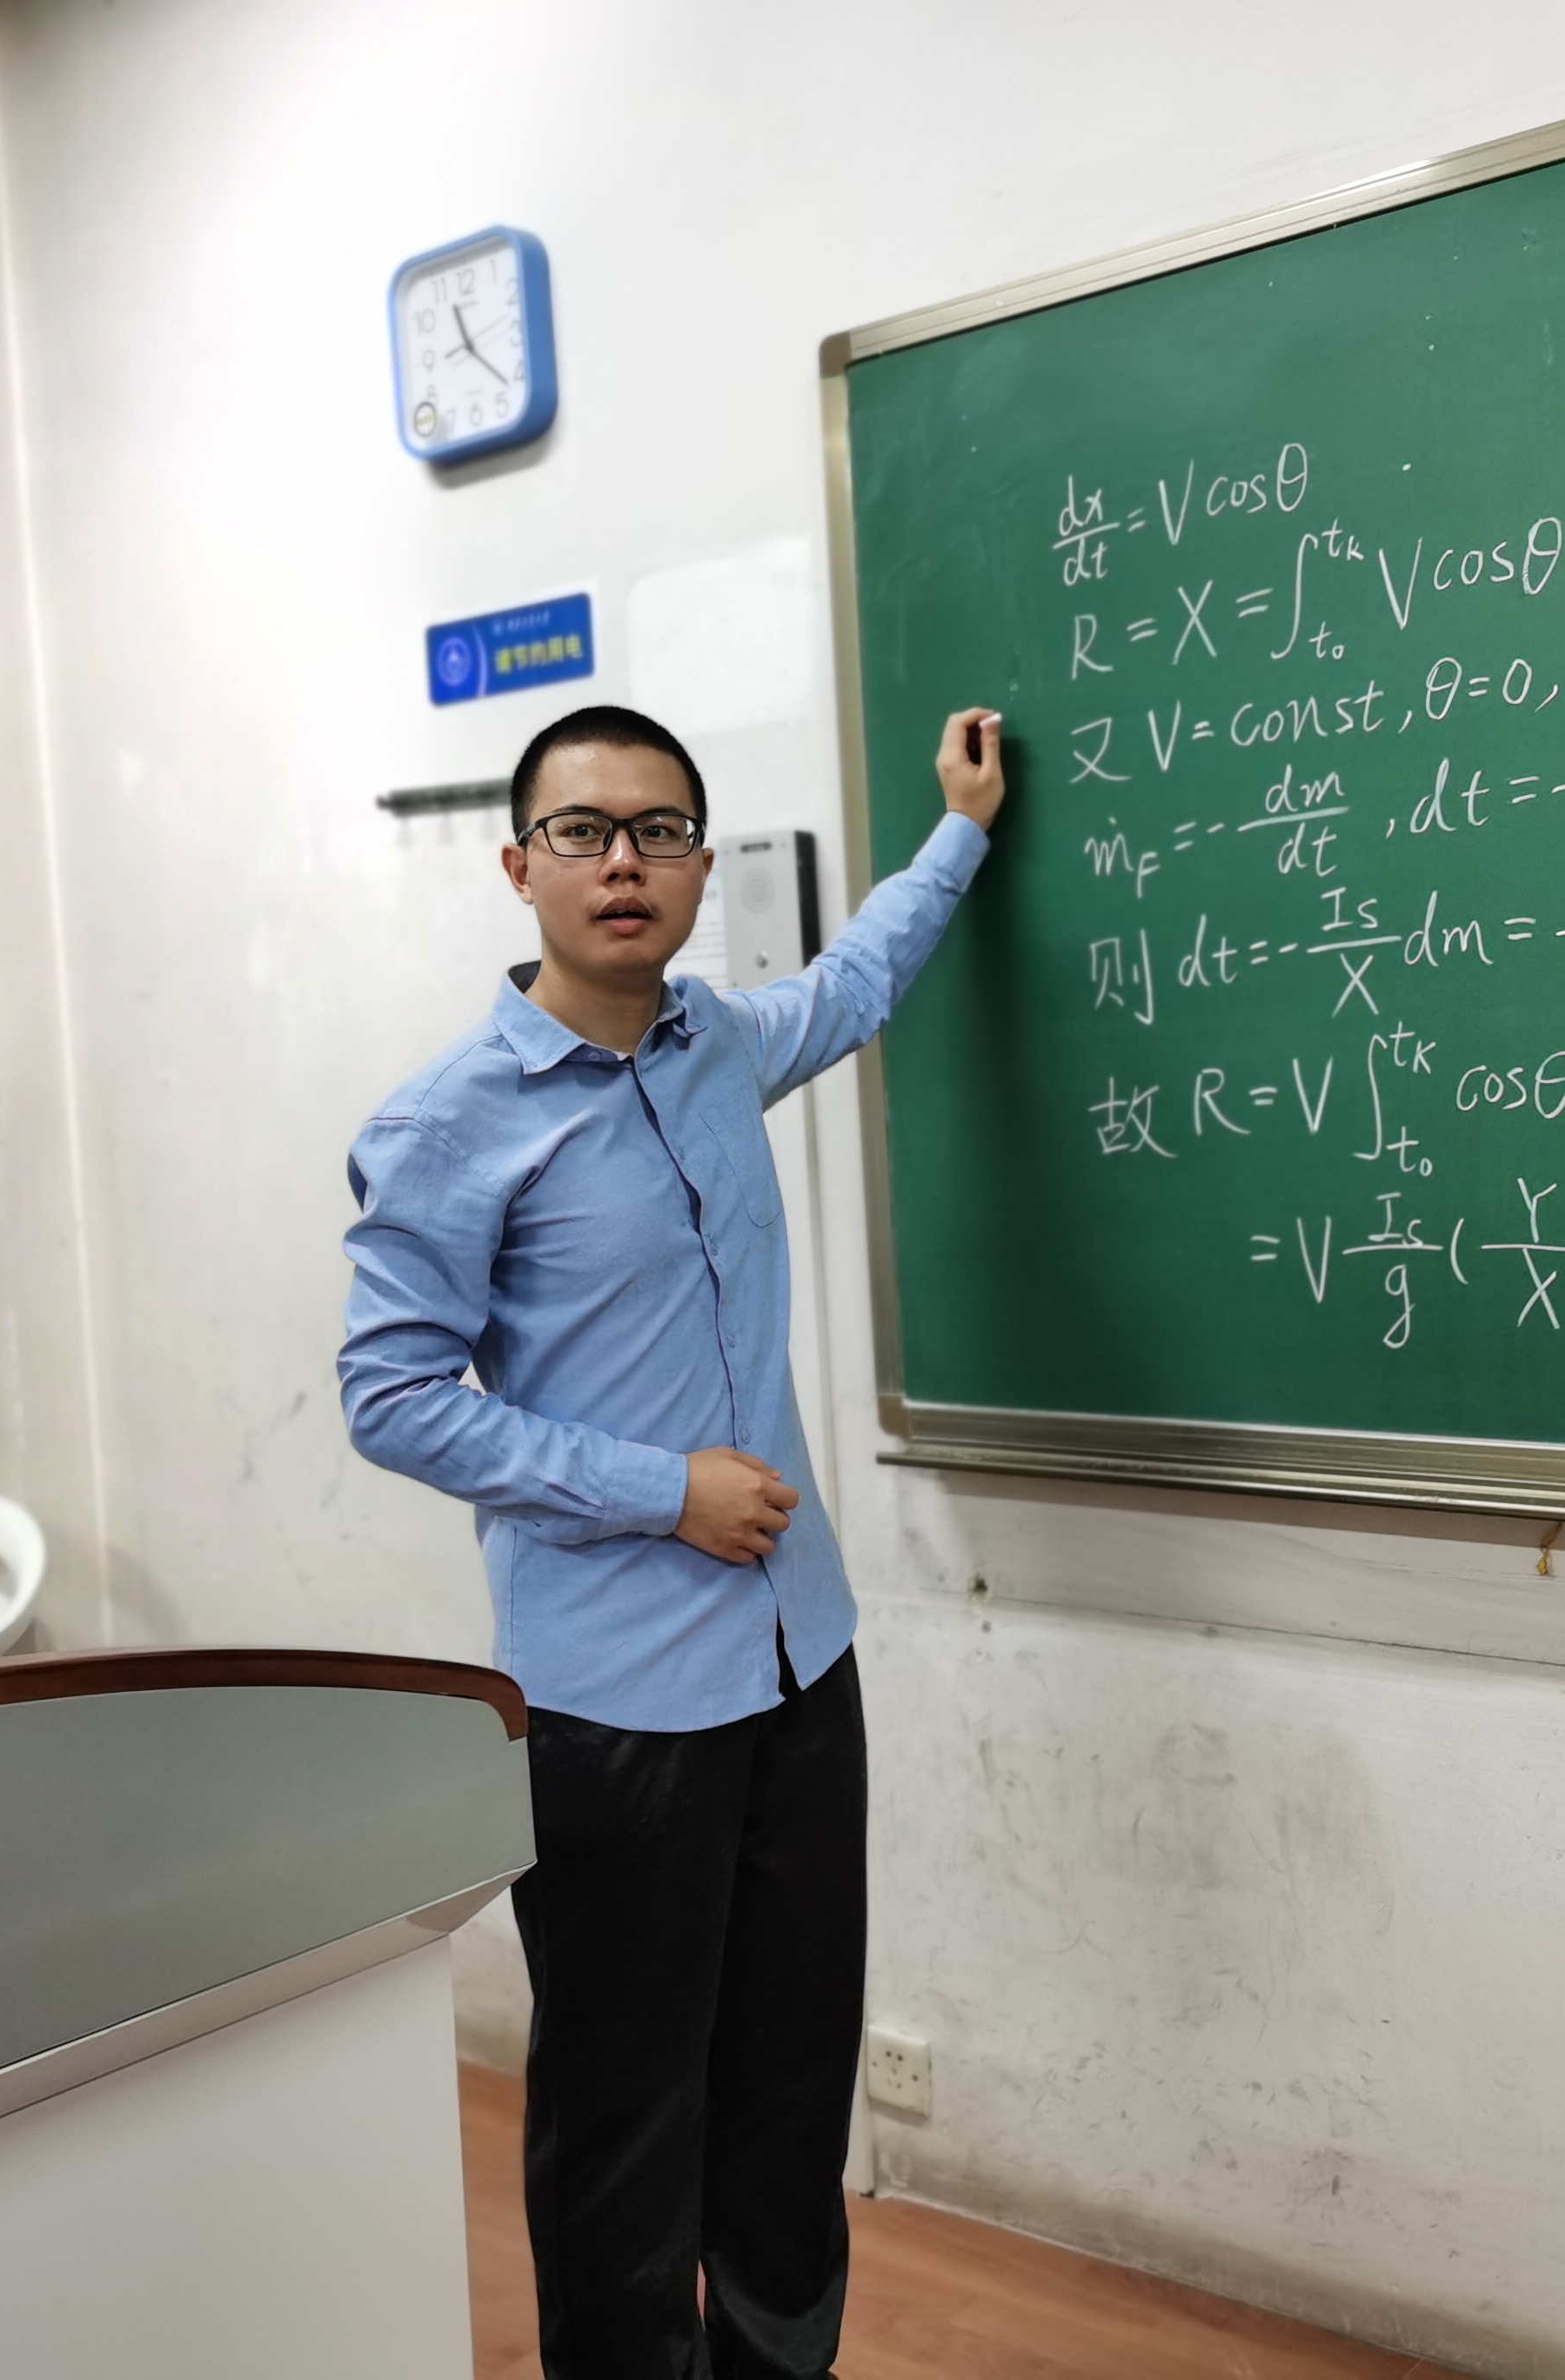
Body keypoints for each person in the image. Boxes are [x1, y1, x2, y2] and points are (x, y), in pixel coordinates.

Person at [338, 699, 1005, 2377]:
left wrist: (962, 829)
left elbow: (857, 983)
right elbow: (391, 1398)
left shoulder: (718, 1044)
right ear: (521, 869)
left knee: (789, 2092)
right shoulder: (448, 1124)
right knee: (626, 2128)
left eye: (658, 832)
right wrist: (664, 1489)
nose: (622, 862)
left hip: (800, 1663)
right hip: (614, 1705)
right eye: (583, 833)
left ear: (701, 868)